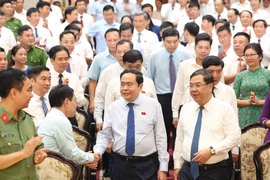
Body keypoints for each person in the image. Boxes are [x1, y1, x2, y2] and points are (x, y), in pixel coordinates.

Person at [94, 69, 169, 180]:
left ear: (140, 86)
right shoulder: (113, 107)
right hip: (120, 164)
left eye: (129, 84)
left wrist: (163, 168)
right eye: (122, 84)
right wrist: (97, 153)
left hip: (147, 165)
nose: (125, 88)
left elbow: (161, 137)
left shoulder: (153, 106)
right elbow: (105, 135)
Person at [173, 69, 241, 180]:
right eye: (191, 86)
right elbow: (180, 138)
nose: (193, 90)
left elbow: (234, 137)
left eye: (198, 85)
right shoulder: (186, 108)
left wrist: (212, 150)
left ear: (210, 86)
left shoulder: (224, 109)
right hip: (187, 170)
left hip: (214, 171)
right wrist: (177, 165)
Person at [0, 68, 49, 179]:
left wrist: (38, 154)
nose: (31, 95)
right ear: (14, 93)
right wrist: (23, 153)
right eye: (28, 90)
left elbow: (37, 147)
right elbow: (26, 151)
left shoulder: (27, 119)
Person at [38, 84, 99, 168]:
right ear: (67, 102)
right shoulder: (60, 120)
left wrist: (85, 159)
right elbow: (72, 154)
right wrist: (92, 157)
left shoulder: (53, 115)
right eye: (74, 101)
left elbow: (66, 154)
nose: (76, 105)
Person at [148, 28, 190, 149]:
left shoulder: (185, 55)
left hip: (181, 96)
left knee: (181, 130)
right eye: (169, 41)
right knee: (162, 130)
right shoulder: (154, 56)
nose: (172, 45)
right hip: (162, 97)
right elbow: (150, 78)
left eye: (175, 41)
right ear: (163, 41)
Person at [172, 33, 213, 128]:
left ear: (210, 49)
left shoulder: (214, 66)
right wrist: (175, 114)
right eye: (200, 47)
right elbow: (178, 90)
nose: (203, 51)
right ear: (195, 48)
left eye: (206, 48)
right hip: (187, 106)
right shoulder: (185, 65)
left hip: (209, 109)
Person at [234, 43, 270, 128]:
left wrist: (259, 102)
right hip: (244, 114)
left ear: (260, 56)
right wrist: (247, 102)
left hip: (264, 113)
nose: (249, 58)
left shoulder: (268, 74)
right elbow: (233, 99)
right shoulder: (240, 76)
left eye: (252, 55)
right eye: (246, 55)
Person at [88, 28, 120, 113]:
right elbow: (93, 81)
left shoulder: (127, 57)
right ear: (105, 41)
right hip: (105, 99)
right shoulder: (99, 58)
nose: (112, 43)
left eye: (115, 40)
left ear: (120, 39)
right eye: (109, 40)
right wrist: (92, 101)